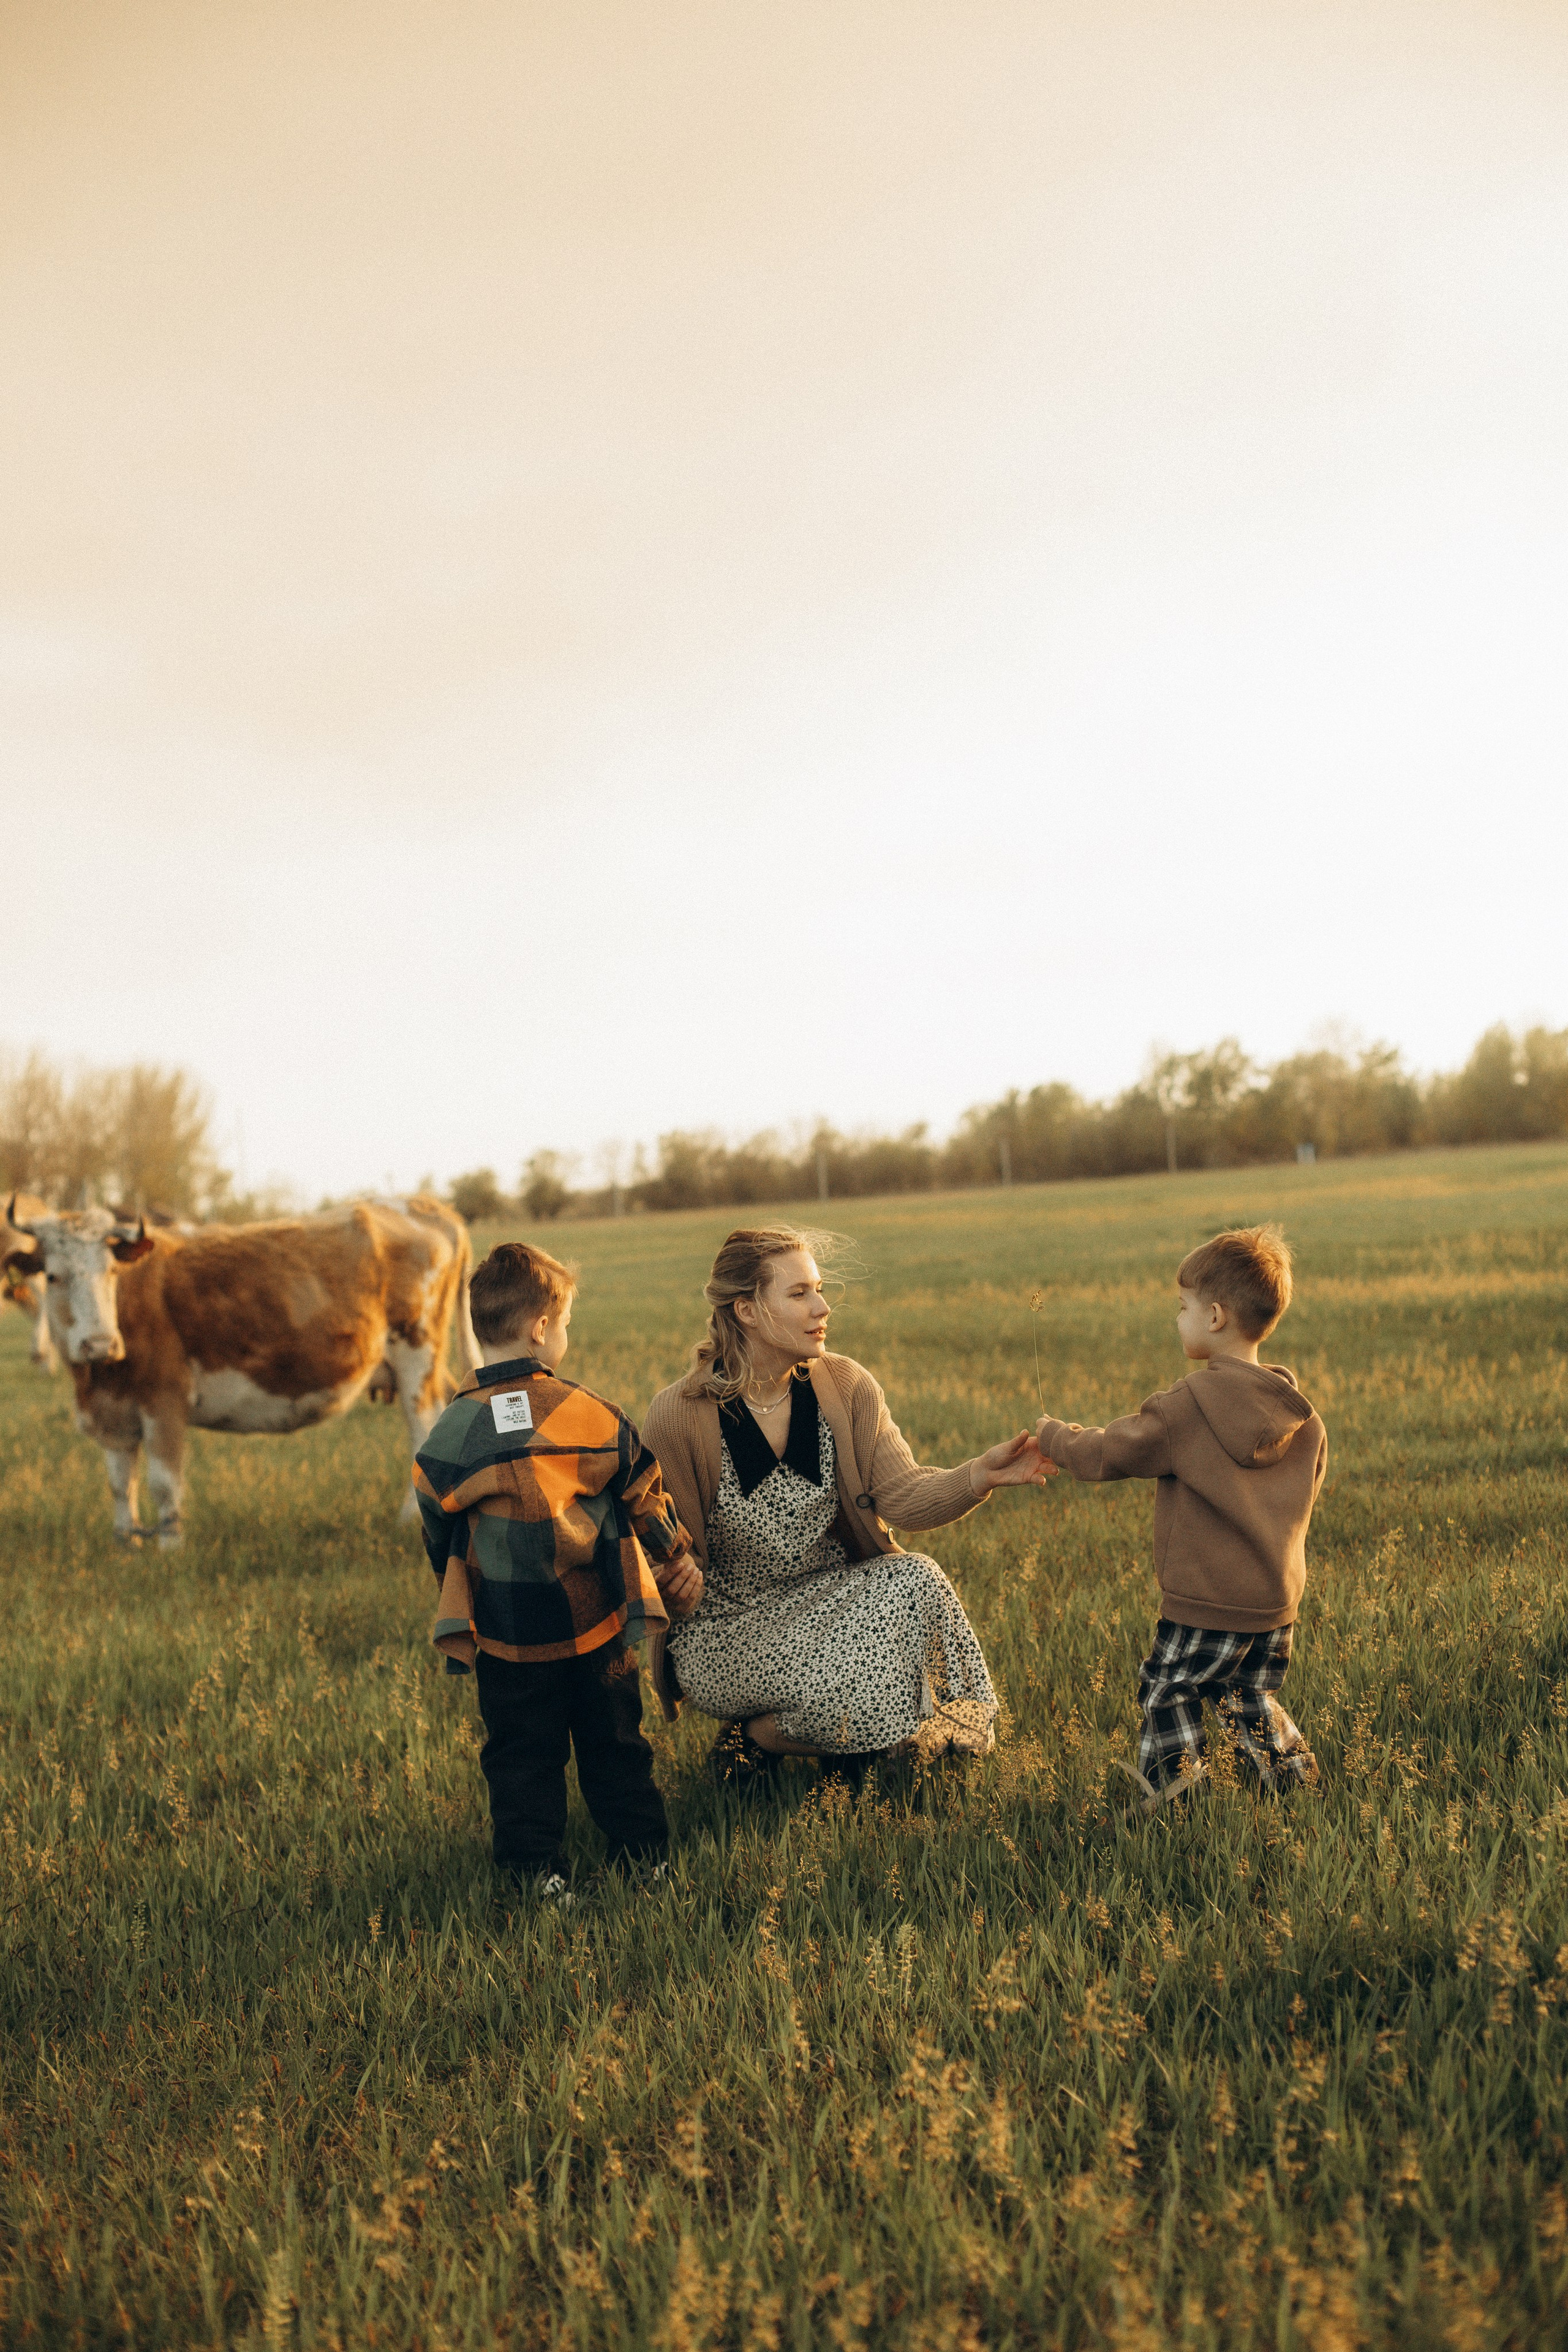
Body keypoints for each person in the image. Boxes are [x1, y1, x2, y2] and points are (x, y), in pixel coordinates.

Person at [641, 1224, 1049, 1786]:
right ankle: (754, 1739)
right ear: (748, 1311)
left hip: (827, 1600)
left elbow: (903, 1495)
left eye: (820, 1289)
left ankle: (953, 1740)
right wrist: (671, 1571)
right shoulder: (679, 1415)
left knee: (917, 1576)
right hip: (729, 1626)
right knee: (852, 1693)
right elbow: (661, 1543)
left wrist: (980, 1475)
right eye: (799, 1293)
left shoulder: (846, 1385)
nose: (823, 1307)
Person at [414, 1240, 703, 1901]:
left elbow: (436, 1519)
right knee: (616, 1745)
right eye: (564, 1323)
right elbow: (641, 1487)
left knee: (520, 1755)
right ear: (541, 1328)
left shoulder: (451, 1434)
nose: (564, 1335)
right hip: (595, 1620)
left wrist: (454, 1579)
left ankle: (532, 1876)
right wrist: (673, 1551)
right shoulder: (587, 1413)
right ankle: (644, 1862)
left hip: (507, 1634)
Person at [1035, 1224, 1327, 1810]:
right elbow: (1308, 1493)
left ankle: (1173, 1796)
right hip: (1274, 1600)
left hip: (1205, 1597)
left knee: (1169, 1689)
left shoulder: (1186, 1408)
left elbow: (1109, 1451)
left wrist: (1053, 1437)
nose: (1178, 1319)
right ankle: (1292, 1782)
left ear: (1215, 1317)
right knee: (1247, 1692)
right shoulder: (1302, 1417)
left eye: (1183, 1307)